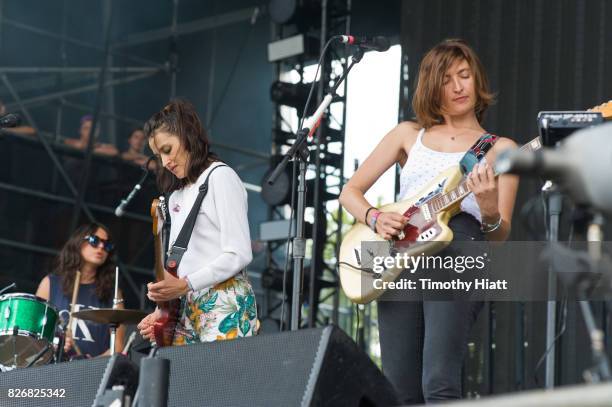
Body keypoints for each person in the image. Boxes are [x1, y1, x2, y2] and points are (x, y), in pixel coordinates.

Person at [339, 39, 519, 403]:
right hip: (398, 251)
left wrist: (488, 209)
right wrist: (375, 218)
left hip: (458, 247)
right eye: (447, 79)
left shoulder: (502, 149)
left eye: (465, 76)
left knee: (439, 381)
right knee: (398, 387)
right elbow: (350, 193)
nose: (458, 86)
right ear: (431, 88)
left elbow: (498, 236)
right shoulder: (408, 134)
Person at [137, 99, 257, 345]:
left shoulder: (220, 177)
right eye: (158, 156)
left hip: (225, 301)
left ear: (187, 135)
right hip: (187, 306)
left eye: (167, 150)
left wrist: (184, 285)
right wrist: (163, 309)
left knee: (222, 382)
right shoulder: (176, 196)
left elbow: (239, 253)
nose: (164, 162)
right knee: (186, 383)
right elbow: (185, 264)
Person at [35, 223, 125, 358]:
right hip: (51, 369)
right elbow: (33, 332)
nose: (101, 247)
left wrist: (89, 366)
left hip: (94, 374)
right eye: (94, 241)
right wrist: (54, 343)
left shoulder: (113, 293)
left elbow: (117, 347)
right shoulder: (50, 283)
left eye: (107, 245)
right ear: (78, 242)